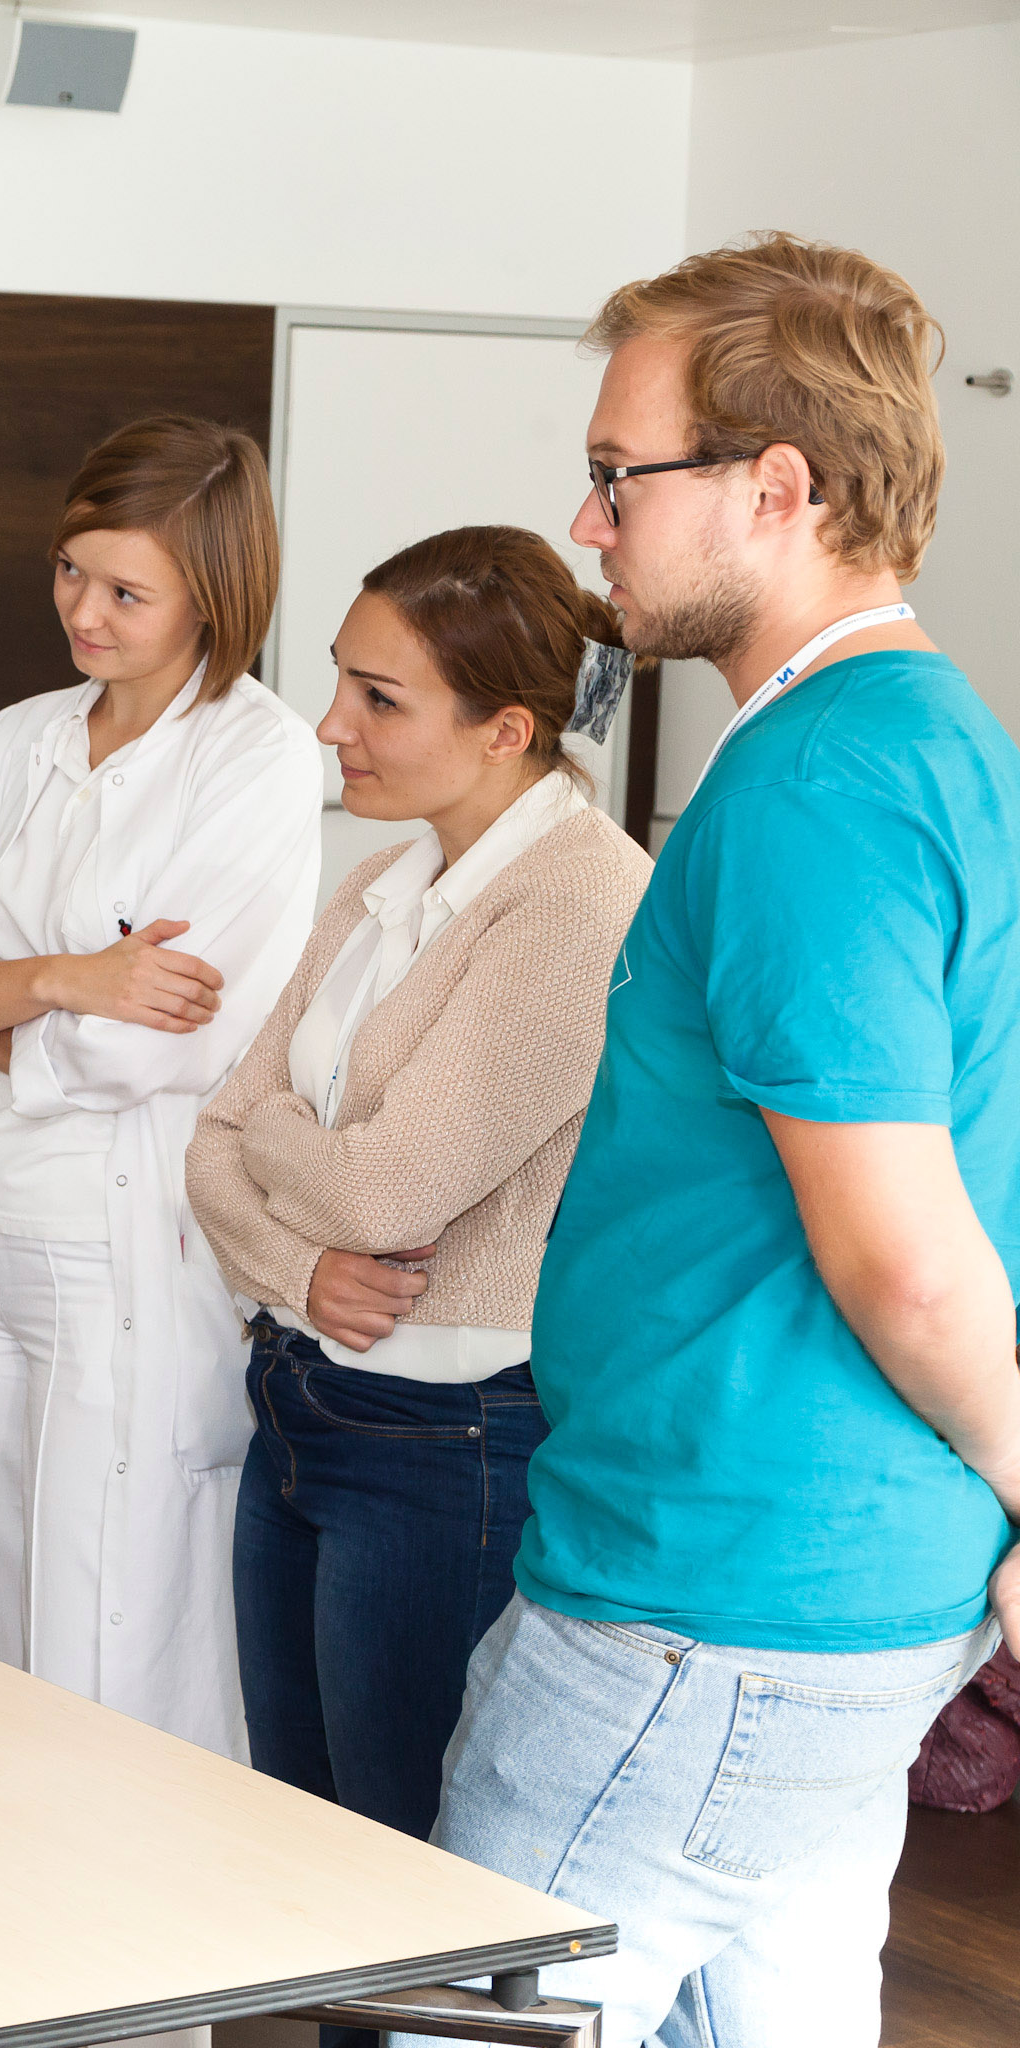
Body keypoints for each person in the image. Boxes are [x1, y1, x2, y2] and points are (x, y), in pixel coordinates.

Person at [431, 234, 1020, 2046]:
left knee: (462, 2023)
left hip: (712, 1595)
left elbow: (903, 1249)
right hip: (818, 1587)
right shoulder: (931, 737)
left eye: (619, 475)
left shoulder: (816, 784)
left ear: (776, 487)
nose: (586, 524)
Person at [185, 527, 651, 2048]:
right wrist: (298, 1258)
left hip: (449, 1446)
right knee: (312, 1867)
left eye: (378, 698)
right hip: (300, 1399)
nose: (332, 724)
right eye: (341, 681)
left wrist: (281, 1144)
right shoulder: (392, 878)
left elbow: (384, 1187)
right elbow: (209, 1146)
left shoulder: (581, 901)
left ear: (506, 729)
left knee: (408, 1898)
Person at [0, 415, 320, 1770]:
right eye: (72, 571)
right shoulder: (23, 738)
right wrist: (61, 979)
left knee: (101, 1623)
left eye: (128, 592)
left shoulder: (258, 758)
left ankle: (107, 1897)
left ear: (213, 597)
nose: (84, 613)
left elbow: (151, 1051)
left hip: (116, 1250)